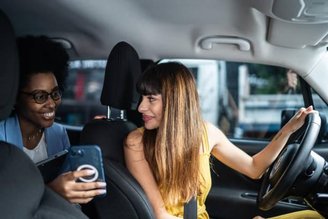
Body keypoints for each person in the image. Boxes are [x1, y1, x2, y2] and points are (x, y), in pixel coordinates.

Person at [124, 62, 323, 219]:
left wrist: (287, 131)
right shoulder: (136, 142)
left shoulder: (206, 132)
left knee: (312, 215)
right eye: (142, 98)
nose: (141, 107)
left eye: (151, 99)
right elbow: (160, 216)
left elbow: (254, 168)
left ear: (175, 101)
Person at [0, 36, 106, 204]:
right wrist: (51, 192)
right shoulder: (1, 138)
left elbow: (66, 181)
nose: (51, 104)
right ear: (15, 97)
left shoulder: (58, 132)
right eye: (40, 96)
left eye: (55, 93)